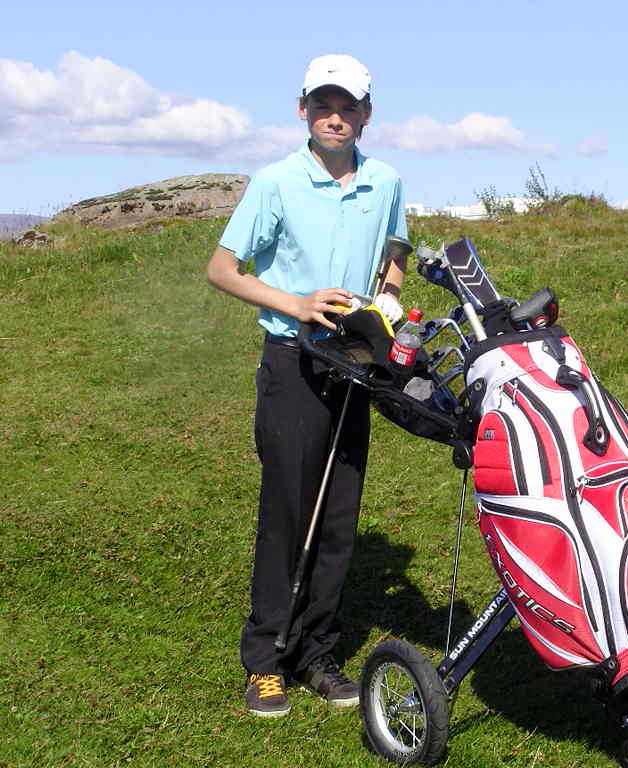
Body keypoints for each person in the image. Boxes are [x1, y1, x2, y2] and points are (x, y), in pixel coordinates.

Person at [206, 54, 407, 718]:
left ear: (366, 114)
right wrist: (295, 303)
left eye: (348, 107)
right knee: (289, 511)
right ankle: (265, 661)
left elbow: (396, 252)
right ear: (303, 110)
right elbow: (223, 269)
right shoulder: (275, 183)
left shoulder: (386, 181)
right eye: (323, 105)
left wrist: (389, 296)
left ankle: (317, 652)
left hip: (356, 361)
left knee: (339, 514)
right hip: (293, 362)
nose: (335, 117)